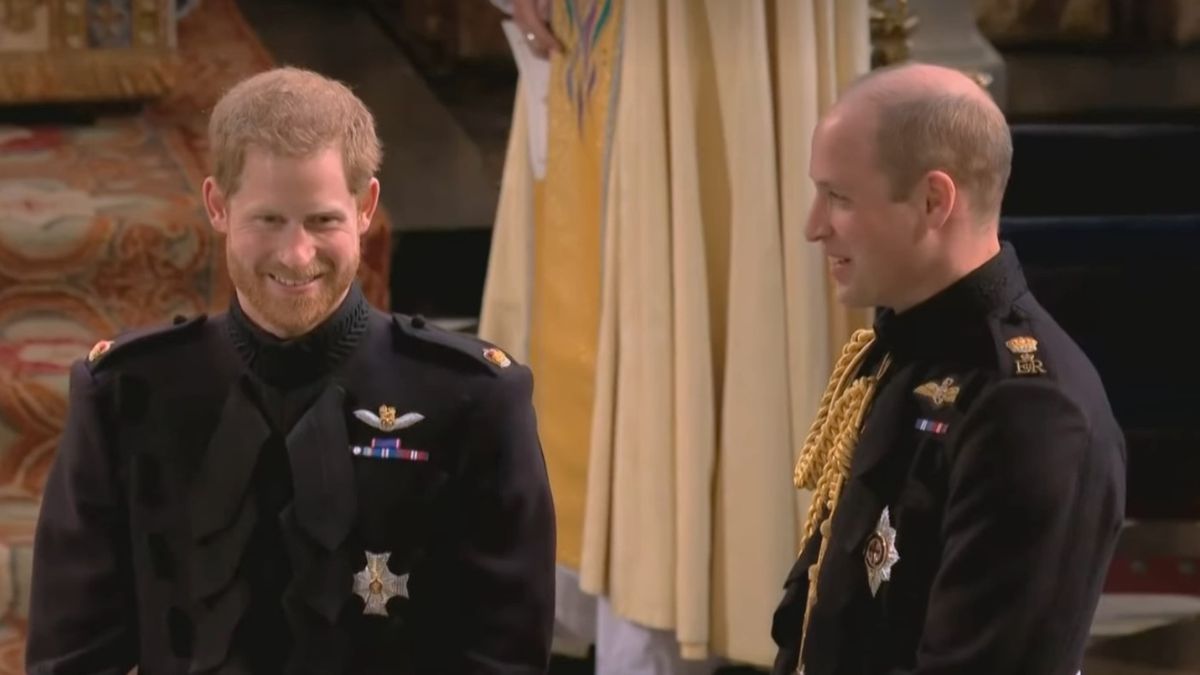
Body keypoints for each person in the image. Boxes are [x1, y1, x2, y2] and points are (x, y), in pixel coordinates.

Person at [26, 66, 556, 675]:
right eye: (269, 220)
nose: (296, 254)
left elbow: (502, 659)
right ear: (217, 207)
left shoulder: (471, 403)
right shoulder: (127, 396)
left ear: (366, 208)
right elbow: (70, 658)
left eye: (322, 220)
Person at [770, 62, 1125, 675]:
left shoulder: (1027, 413)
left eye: (839, 198)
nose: (813, 227)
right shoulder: (903, 353)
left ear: (934, 201)